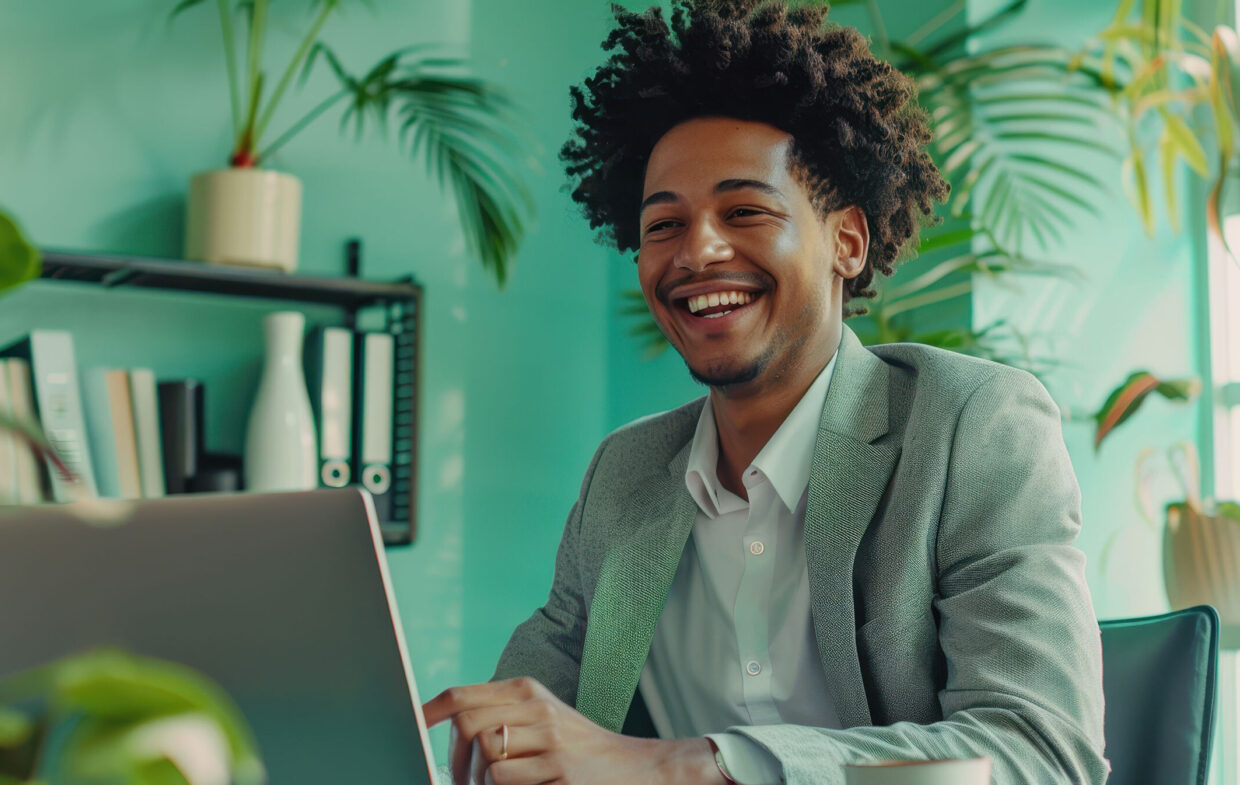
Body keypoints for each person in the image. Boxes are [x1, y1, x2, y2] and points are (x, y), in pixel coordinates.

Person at [422, 2, 1107, 783]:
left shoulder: (970, 428)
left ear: (846, 242)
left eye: (744, 210)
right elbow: (526, 727)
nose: (697, 251)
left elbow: (1040, 751)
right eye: (662, 226)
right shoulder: (627, 472)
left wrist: (691, 765)